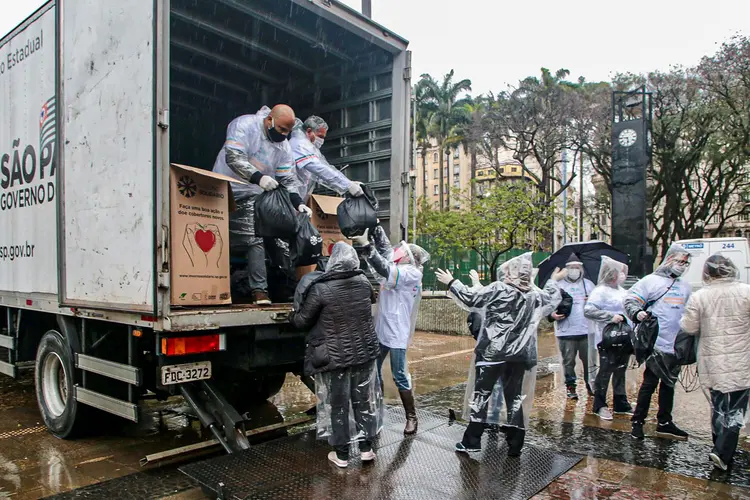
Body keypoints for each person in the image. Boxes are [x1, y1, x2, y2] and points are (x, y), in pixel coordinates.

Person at [435, 254, 564, 456]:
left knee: (481, 396)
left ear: (511, 273)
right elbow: (551, 298)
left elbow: (471, 299)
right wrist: (553, 281)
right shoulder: (533, 294)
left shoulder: (498, 289)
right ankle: (515, 443)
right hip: (519, 356)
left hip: (492, 354)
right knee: (514, 398)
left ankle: (472, 440)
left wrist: (452, 282)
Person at [289, 242, 382, 468]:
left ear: (332, 262)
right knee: (363, 401)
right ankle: (366, 449)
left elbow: (302, 321)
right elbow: (371, 299)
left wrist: (291, 315)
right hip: (364, 353)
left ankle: (341, 455)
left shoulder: (321, 289)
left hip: (335, 357)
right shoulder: (363, 282)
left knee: (338, 405)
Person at [213, 104, 311, 305]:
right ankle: (259, 291)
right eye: (281, 129)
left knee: (276, 235)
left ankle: (289, 285)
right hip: (226, 189)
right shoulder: (245, 125)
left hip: (256, 193)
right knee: (253, 237)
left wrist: (298, 203)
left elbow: (288, 180)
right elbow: (233, 157)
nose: (284, 135)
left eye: (288, 132)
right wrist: (259, 178)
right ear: (269, 120)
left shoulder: (283, 147)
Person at [351, 226, 429, 435]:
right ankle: (376, 409)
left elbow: (385, 268)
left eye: (403, 252)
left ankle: (412, 417)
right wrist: (376, 226)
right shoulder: (398, 266)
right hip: (382, 329)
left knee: (399, 375)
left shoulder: (411, 274)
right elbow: (386, 251)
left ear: (410, 259)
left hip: (397, 334)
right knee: (373, 371)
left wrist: (367, 246)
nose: (399, 252)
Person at [679, 254, 750, 471]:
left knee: (719, 406)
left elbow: (689, 327)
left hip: (712, 361)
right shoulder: (747, 292)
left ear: (707, 273)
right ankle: (722, 451)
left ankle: (719, 446)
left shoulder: (700, 296)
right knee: (736, 408)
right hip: (742, 359)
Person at [624, 243, 692, 440]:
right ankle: (638, 421)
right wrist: (638, 313)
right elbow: (630, 300)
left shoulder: (684, 287)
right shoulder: (650, 282)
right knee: (650, 383)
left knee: (669, 384)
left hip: (676, 345)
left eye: (685, 262)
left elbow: (691, 312)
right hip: (655, 344)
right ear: (669, 259)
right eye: (679, 261)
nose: (682, 265)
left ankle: (665, 421)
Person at [584, 257, 634, 420]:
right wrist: (610, 316)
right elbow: (589, 310)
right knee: (605, 371)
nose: (622, 275)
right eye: (619, 272)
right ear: (611, 273)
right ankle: (599, 404)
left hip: (623, 337)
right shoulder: (600, 291)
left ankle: (620, 402)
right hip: (606, 338)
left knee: (620, 370)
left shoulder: (622, 291)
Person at [288, 116, 364, 203]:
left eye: (323, 137)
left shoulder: (309, 147)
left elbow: (325, 168)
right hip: (289, 197)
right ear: (309, 131)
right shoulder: (299, 144)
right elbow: (319, 169)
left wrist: (349, 183)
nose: (321, 140)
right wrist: (347, 185)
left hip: (296, 199)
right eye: (320, 136)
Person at [551, 253, 595, 399]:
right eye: (571, 267)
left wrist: (591, 300)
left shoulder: (588, 285)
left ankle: (591, 385)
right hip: (566, 331)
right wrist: (552, 315)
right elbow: (547, 303)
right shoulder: (558, 285)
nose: (574, 270)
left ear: (581, 269)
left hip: (586, 331)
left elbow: (597, 306)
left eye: (577, 267)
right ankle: (571, 387)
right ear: (566, 269)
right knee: (568, 362)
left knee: (589, 361)